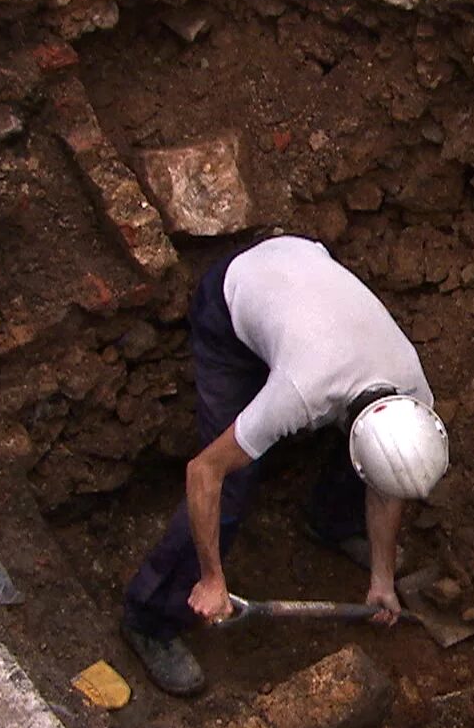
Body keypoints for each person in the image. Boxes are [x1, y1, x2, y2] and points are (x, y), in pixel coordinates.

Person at [121, 234, 449, 696]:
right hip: (231, 303)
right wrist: (214, 579)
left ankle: (329, 523)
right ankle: (150, 618)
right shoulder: (300, 392)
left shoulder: (413, 395)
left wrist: (382, 577)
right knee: (233, 482)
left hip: (297, 272)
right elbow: (203, 472)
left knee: (374, 463)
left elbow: (385, 480)